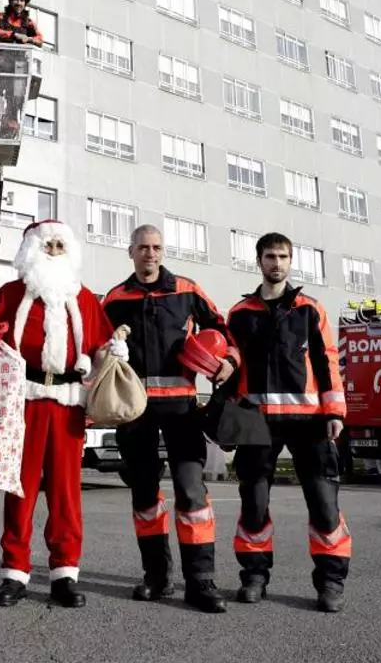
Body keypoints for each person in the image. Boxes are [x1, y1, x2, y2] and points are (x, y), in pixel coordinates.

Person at [101, 225, 236, 614]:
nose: (150, 253)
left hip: (181, 411)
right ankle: (156, 578)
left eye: (157, 247)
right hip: (135, 411)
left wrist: (227, 361)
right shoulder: (115, 299)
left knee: (192, 494)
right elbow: (98, 346)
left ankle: (201, 581)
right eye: (143, 247)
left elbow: (221, 330)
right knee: (144, 495)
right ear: (131, 251)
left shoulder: (188, 290)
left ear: (163, 251)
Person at [0, 220, 115, 609]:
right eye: (47, 245)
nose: (54, 251)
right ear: (31, 249)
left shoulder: (85, 298)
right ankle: (14, 572)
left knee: (66, 493)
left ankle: (65, 573)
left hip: (67, 404)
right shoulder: (9, 295)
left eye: (61, 245)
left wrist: (112, 351)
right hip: (21, 401)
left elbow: (101, 343)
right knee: (19, 490)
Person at [223, 232, 351, 614]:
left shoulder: (310, 309)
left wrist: (334, 412)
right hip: (256, 420)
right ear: (258, 261)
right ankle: (254, 577)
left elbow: (327, 361)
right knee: (253, 504)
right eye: (269, 256)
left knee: (324, 505)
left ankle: (330, 582)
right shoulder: (240, 313)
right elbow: (231, 369)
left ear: (290, 262)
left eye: (282, 256)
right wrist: (227, 418)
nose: (276, 263)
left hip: (309, 420)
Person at [0, 0, 43, 138]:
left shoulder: (28, 23)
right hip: (0, 63)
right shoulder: (0, 17)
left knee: (15, 100)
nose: (19, 3)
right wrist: (13, 35)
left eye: (22, 0)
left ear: (25, 3)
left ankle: (8, 130)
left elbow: (40, 40)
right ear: (11, 0)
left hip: (19, 66)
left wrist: (28, 39)